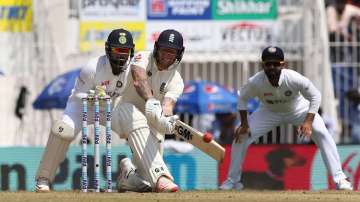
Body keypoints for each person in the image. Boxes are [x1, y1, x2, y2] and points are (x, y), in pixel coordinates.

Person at [35, 28, 184, 193]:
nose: (121, 55)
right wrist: (93, 95)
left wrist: (163, 114)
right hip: (82, 107)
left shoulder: (131, 67)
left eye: (125, 51)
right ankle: (43, 179)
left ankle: (157, 177)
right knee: (62, 131)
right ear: (108, 50)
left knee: (132, 114)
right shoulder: (92, 68)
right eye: (117, 50)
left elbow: (140, 75)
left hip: (109, 108)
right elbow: (79, 97)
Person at [219, 46, 353, 191]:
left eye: (276, 64)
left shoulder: (293, 78)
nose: (272, 67)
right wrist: (244, 124)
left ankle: (340, 179)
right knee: (241, 136)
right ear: (262, 65)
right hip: (269, 111)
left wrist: (308, 121)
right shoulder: (255, 82)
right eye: (268, 64)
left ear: (283, 64)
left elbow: (315, 96)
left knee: (322, 133)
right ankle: (233, 181)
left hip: (298, 110)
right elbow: (242, 99)